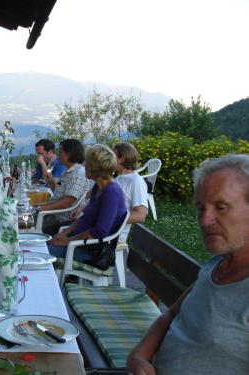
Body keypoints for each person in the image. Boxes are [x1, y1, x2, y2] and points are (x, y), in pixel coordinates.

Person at [127, 154, 249, 375]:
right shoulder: (218, 265)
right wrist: (139, 356)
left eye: (221, 207)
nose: (204, 220)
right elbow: (172, 314)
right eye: (201, 208)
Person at [48, 144, 127, 264]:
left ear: (95, 167)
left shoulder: (112, 192)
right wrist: (65, 232)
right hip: (78, 243)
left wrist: (68, 241)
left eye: (87, 163)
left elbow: (100, 231)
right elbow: (85, 218)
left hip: (90, 251)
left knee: (43, 252)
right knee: (41, 245)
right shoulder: (98, 186)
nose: (84, 165)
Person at [36, 139, 93, 235]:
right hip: (53, 213)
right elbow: (60, 191)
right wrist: (53, 184)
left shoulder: (78, 173)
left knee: (25, 222)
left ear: (69, 154)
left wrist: (41, 207)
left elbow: (67, 202)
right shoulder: (69, 171)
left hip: (59, 218)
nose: (58, 155)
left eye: (60, 152)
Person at [113, 142, 148, 241]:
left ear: (122, 159)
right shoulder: (118, 177)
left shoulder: (136, 181)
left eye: (112, 156)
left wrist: (107, 217)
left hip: (111, 239)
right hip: (99, 232)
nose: (109, 159)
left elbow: (140, 216)